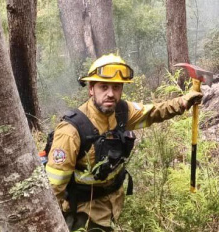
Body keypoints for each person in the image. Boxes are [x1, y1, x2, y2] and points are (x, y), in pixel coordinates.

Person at [45, 54, 203, 231]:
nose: (110, 94)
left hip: (113, 205)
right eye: (103, 87)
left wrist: (183, 102)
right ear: (91, 89)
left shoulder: (121, 111)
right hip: (85, 214)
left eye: (116, 87)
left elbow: (153, 112)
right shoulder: (71, 131)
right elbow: (54, 187)